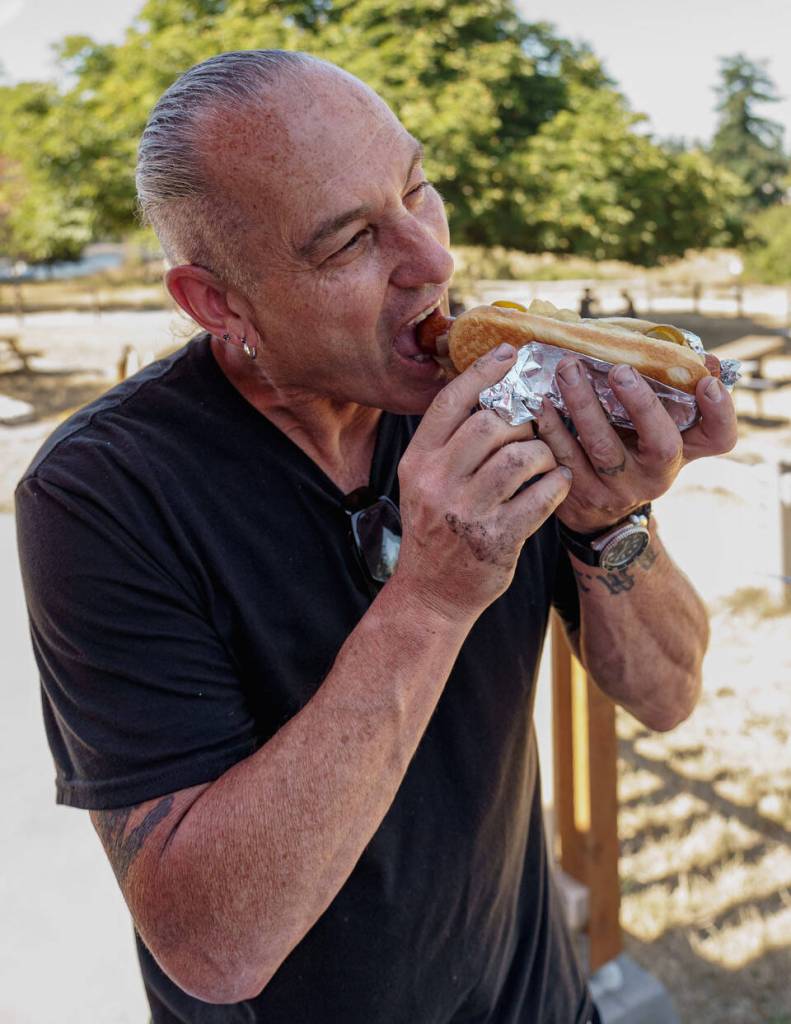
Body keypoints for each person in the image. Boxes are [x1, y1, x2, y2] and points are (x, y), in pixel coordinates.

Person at [15, 50, 736, 1024]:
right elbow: (213, 947)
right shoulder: (104, 491)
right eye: (350, 241)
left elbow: (666, 693)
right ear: (217, 302)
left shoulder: (499, 405)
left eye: (417, 189)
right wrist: (434, 594)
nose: (432, 261)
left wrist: (606, 518)